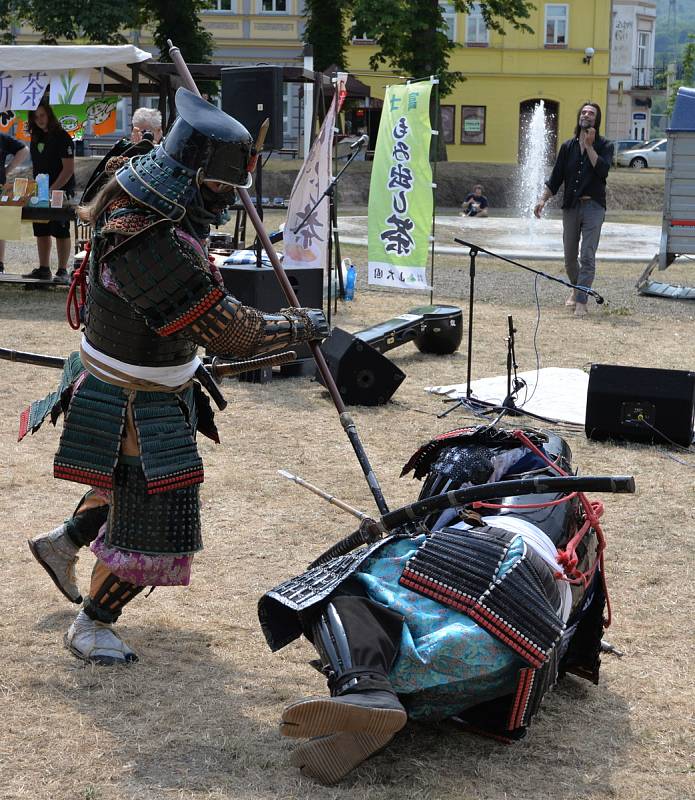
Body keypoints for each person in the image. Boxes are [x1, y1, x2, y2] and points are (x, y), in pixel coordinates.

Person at [22, 87, 330, 666]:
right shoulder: (150, 237)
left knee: (123, 487)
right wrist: (300, 326)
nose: (222, 199)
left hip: (141, 378)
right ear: (190, 175)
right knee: (159, 516)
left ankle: (62, 543)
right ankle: (92, 623)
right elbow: (230, 333)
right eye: (218, 186)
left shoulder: (137, 185)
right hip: (135, 392)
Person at [258, 426, 614, 785]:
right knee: (408, 628)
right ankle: (382, 703)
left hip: (495, 558)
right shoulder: (578, 518)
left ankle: (366, 688)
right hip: (520, 662)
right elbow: (580, 635)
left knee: (332, 584)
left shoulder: (496, 448)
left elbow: (425, 519)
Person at [533, 102, 614, 318]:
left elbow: (603, 171)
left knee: (587, 255)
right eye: (584, 112)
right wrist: (542, 200)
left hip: (594, 206)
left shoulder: (604, 145)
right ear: (579, 116)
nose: (587, 115)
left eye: (592, 113)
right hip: (571, 207)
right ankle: (578, 288)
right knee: (570, 258)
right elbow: (556, 178)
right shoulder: (567, 147)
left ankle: (581, 302)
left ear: (596, 120)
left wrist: (589, 146)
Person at [20, 101, 76, 285]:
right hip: (40, 193)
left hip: (60, 192)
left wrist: (52, 189)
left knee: (60, 230)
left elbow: (68, 170)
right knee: (41, 229)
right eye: (35, 117)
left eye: (42, 115)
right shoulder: (35, 138)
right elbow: (37, 167)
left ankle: (62, 271)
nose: (39, 120)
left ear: (49, 115)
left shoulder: (62, 137)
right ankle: (44, 269)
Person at [0, 130, 29, 273]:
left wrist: (8, 169)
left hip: (0, 186)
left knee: (1, 227)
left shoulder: (2, 138)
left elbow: (23, 150)